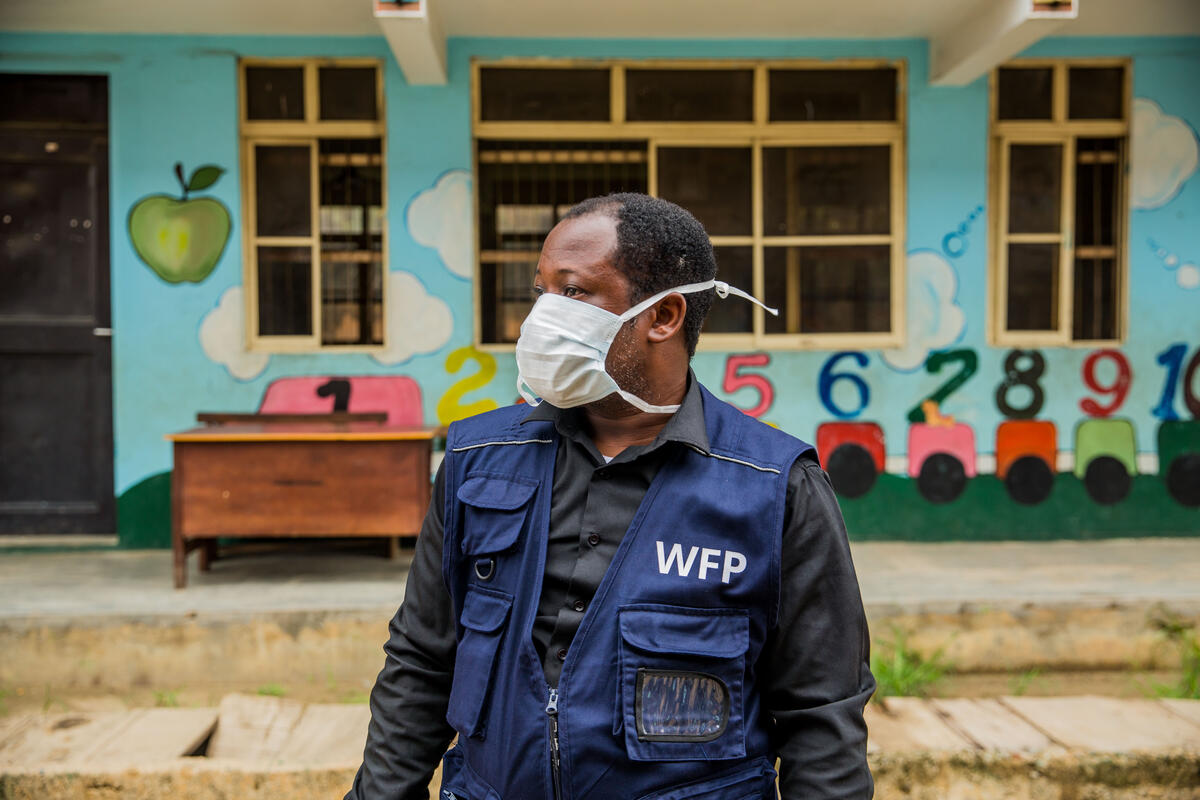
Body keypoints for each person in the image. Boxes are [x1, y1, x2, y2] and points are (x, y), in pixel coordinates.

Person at [346, 193, 874, 800]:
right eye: (540, 291)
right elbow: (421, 663)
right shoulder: (475, 459)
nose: (543, 316)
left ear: (664, 316)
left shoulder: (773, 486)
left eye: (573, 292)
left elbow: (822, 717)